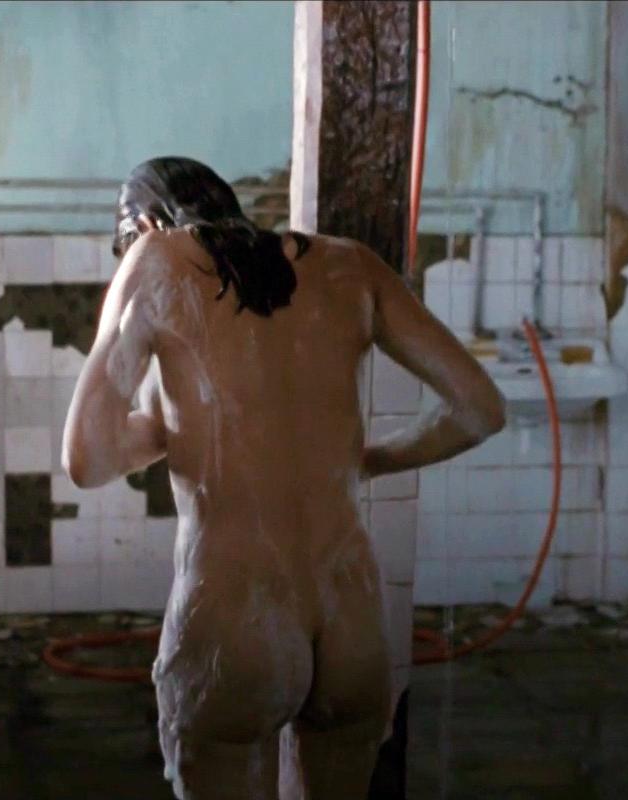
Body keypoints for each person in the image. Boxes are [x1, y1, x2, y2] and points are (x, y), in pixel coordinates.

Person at [63, 156, 504, 799]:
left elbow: (87, 457)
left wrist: (170, 430)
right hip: (352, 619)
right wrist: (368, 460)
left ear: (151, 223)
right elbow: (480, 409)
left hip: (233, 623)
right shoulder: (351, 266)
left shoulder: (157, 258)